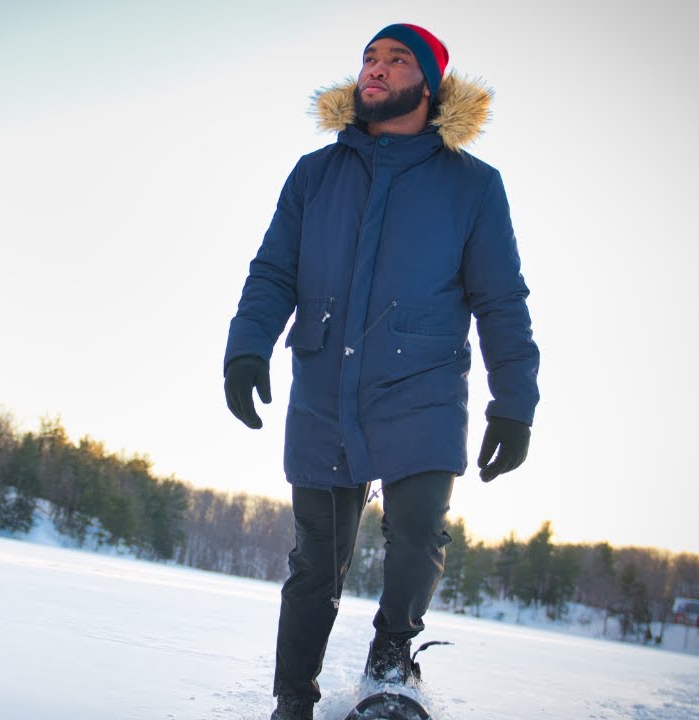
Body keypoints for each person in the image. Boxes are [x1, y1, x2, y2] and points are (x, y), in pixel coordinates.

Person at [222, 23, 541, 720]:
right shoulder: (317, 173)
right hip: (323, 386)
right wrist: (247, 346)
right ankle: (292, 699)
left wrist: (514, 402)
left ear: (428, 85)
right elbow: (274, 271)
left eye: (397, 61)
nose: (376, 69)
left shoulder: (473, 187)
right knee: (315, 562)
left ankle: (391, 667)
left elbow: (500, 300)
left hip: (421, 386)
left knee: (418, 536)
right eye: (370, 57)